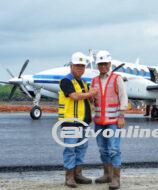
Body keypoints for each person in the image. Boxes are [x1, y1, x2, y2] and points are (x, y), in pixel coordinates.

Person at [58, 52, 97, 188]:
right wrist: (90, 94)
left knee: (81, 149)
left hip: (83, 123)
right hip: (70, 122)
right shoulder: (66, 81)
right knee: (70, 149)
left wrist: (92, 97)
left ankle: (78, 175)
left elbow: (87, 99)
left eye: (82, 66)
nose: (80, 69)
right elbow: (74, 96)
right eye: (77, 66)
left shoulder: (83, 82)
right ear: (71, 66)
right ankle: (69, 177)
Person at [91, 50, 128, 190]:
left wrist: (121, 116)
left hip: (113, 121)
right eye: (100, 64)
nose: (102, 66)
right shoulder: (94, 81)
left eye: (105, 64)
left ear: (109, 64)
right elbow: (93, 100)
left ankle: (116, 179)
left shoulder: (116, 78)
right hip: (99, 121)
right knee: (102, 149)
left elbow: (123, 97)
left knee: (113, 149)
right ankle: (107, 174)